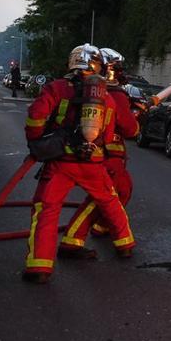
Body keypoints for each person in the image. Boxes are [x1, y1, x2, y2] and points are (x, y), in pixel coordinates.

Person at [22, 44, 137, 283]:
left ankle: (39, 267)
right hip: (93, 162)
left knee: (47, 209)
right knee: (109, 200)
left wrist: (36, 141)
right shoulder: (106, 95)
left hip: (60, 161)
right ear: (98, 65)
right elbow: (113, 131)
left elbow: (36, 116)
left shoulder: (57, 88)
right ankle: (125, 244)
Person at [61, 48, 141, 249]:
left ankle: (102, 226)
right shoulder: (115, 94)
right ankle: (73, 238)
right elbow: (130, 129)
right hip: (109, 155)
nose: (122, 73)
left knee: (118, 192)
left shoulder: (98, 91)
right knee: (109, 195)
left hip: (97, 153)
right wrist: (136, 118)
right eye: (118, 69)